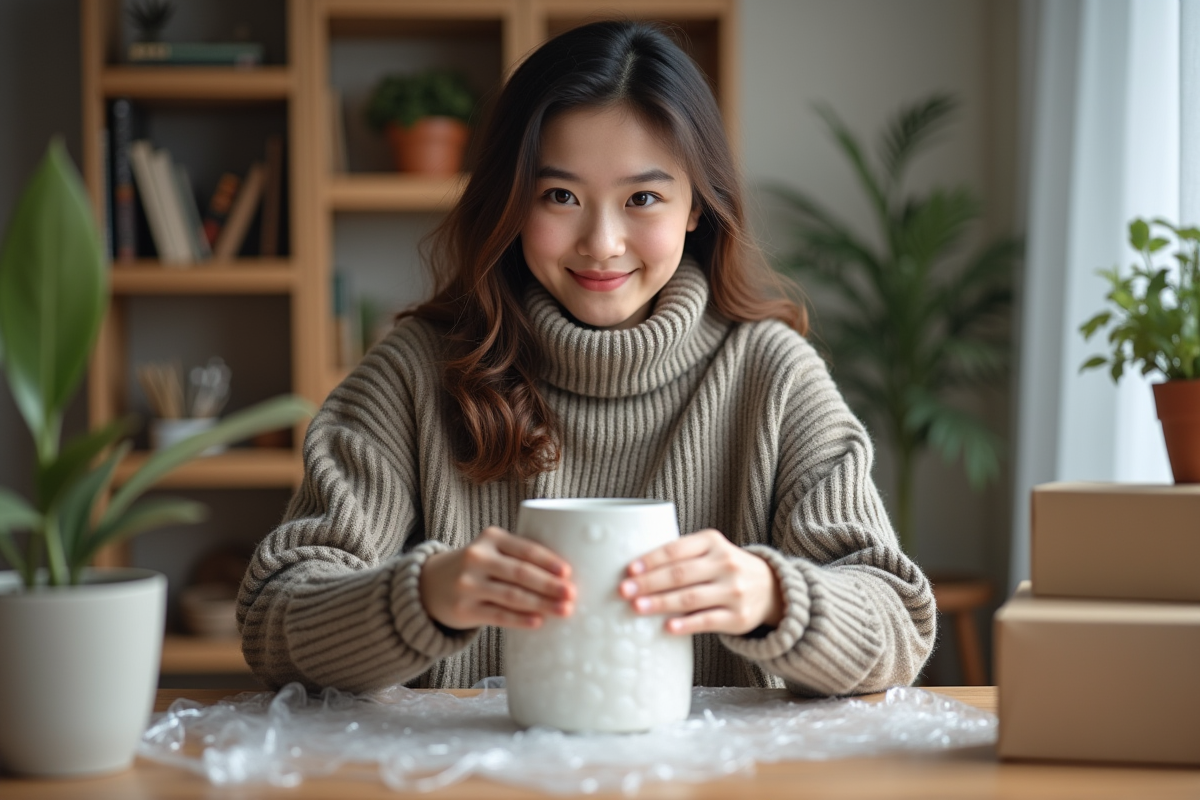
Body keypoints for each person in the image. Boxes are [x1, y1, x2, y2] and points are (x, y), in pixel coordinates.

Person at [237, 19, 935, 696]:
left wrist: (774, 596)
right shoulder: (416, 371)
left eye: (643, 198)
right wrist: (423, 594)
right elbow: (272, 616)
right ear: (511, 201)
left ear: (697, 206)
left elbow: (899, 621)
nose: (601, 242)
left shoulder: (773, 374)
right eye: (561, 196)